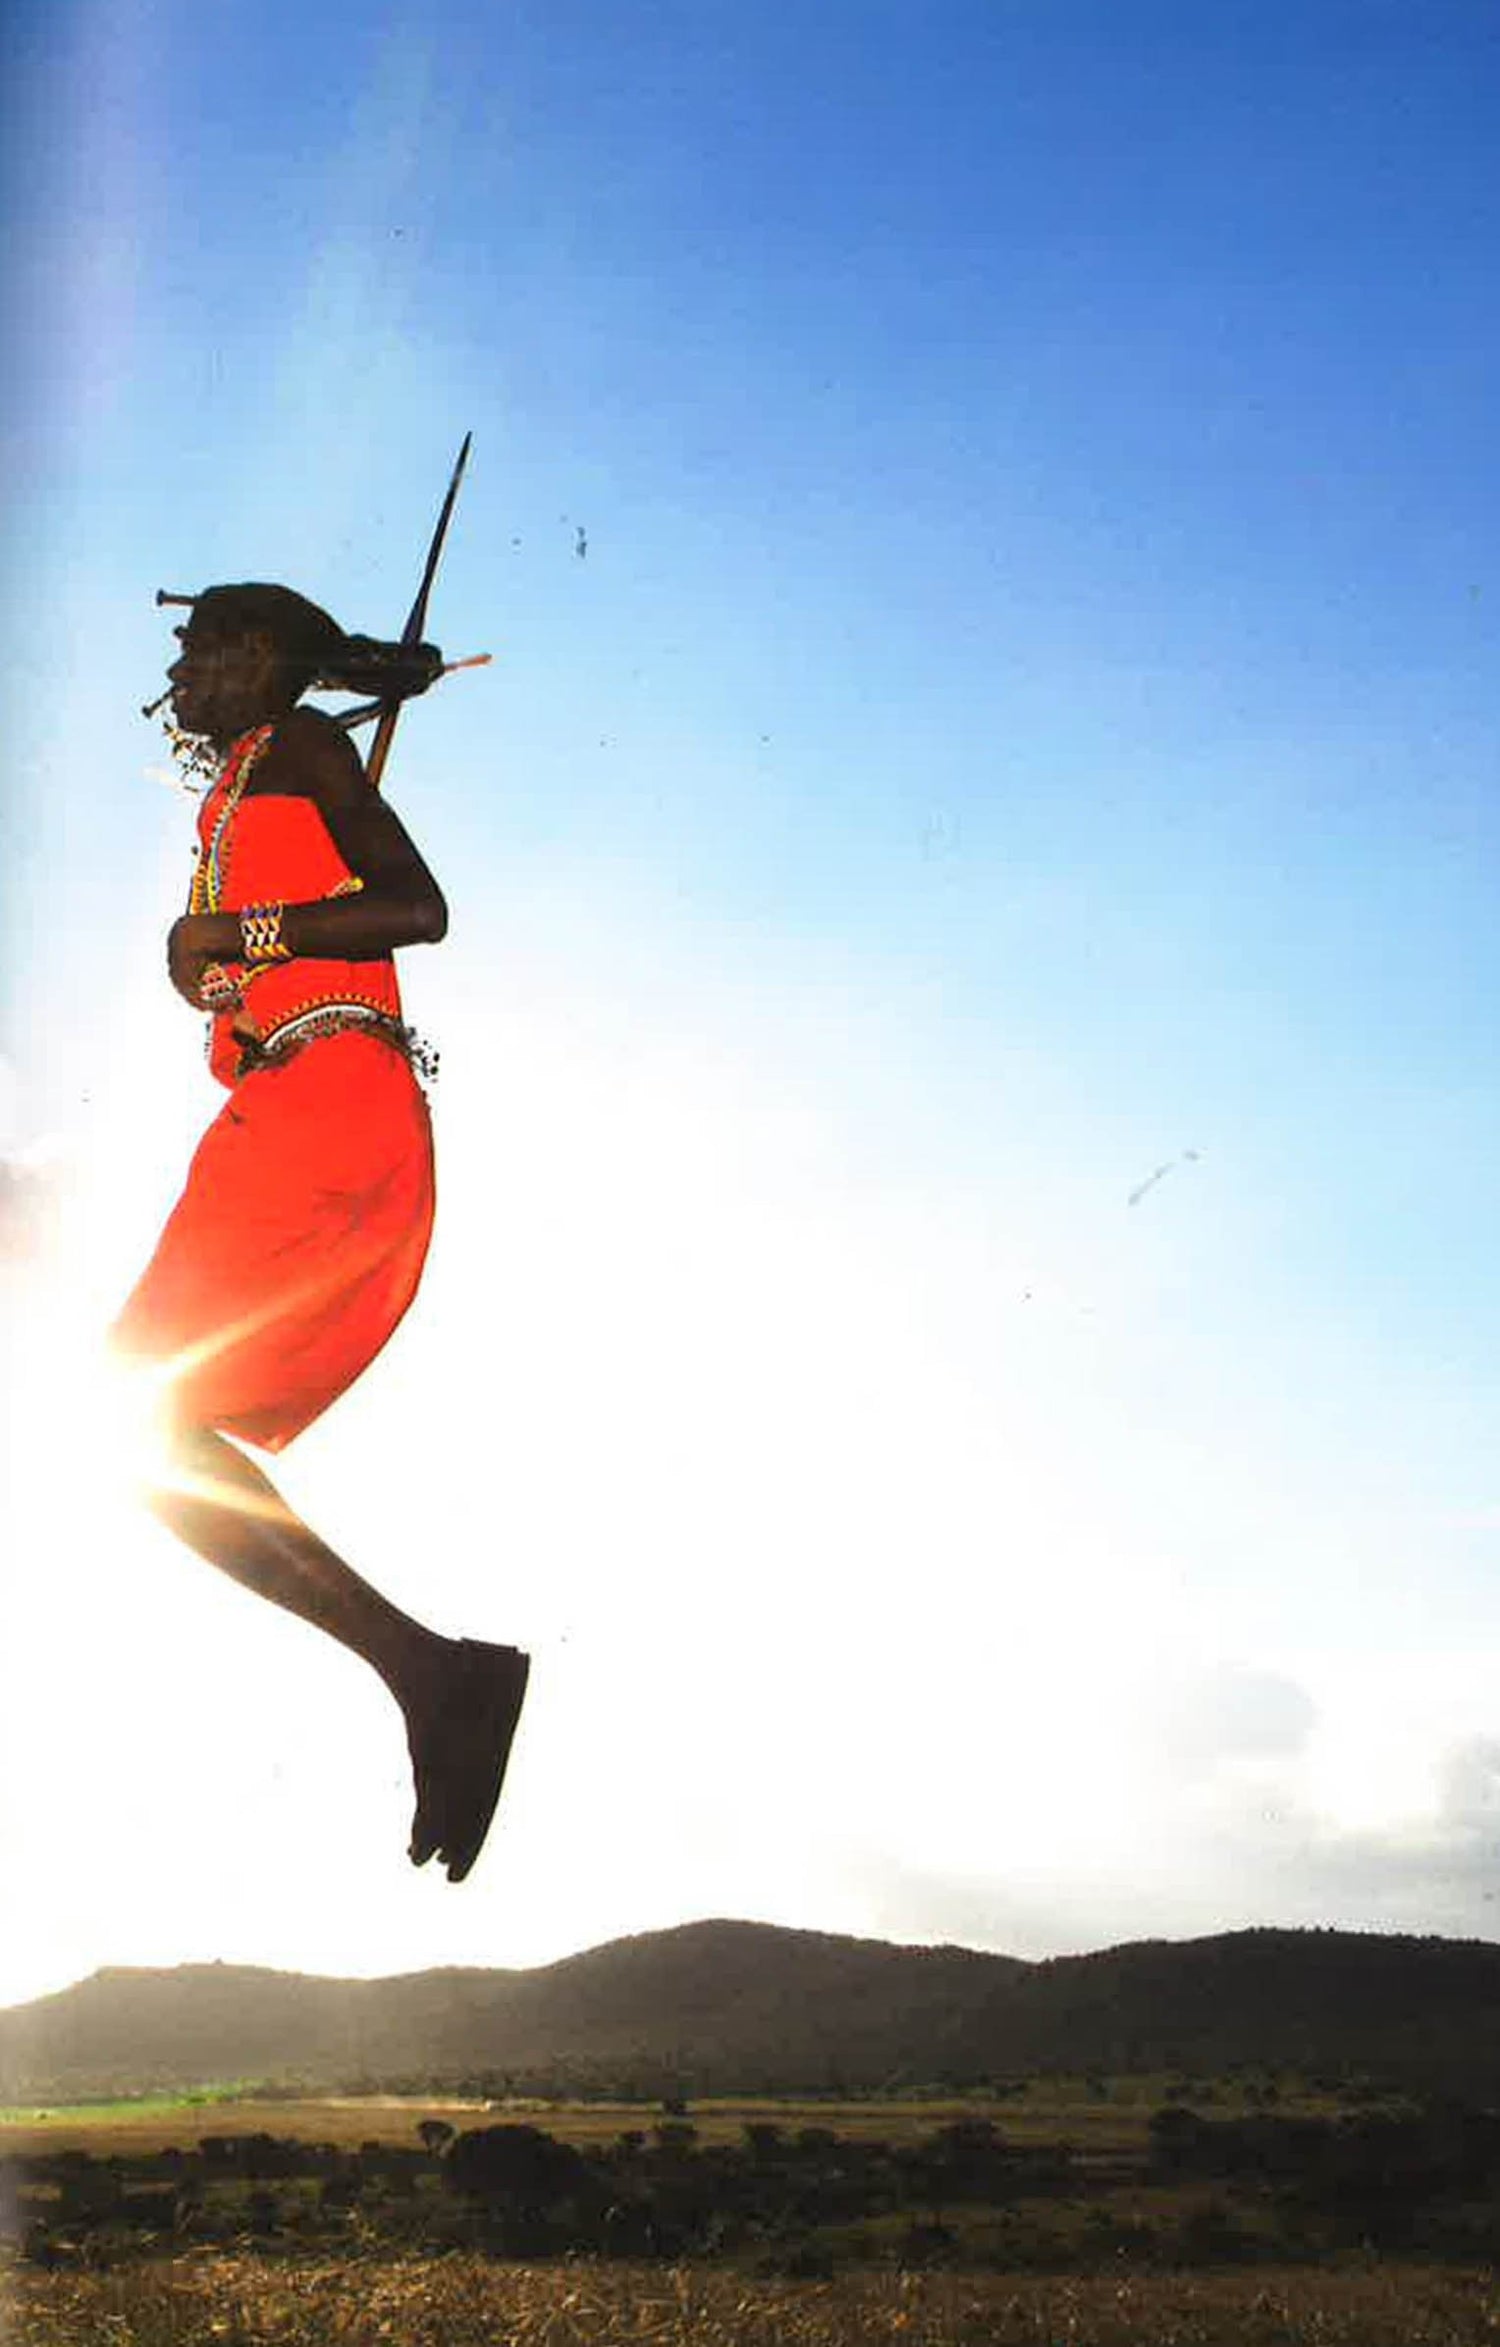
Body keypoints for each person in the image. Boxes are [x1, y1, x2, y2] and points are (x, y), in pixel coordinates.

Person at [113, 582, 528, 1884]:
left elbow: (415, 907)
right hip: (279, 1103)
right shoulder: (249, 777)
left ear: (254, 651)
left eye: (198, 647)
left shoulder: (298, 746)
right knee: (147, 1430)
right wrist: (223, 965)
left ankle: (437, 1681)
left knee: (141, 1419)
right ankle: (434, 1678)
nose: (179, 671)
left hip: (328, 1097)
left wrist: (237, 933)